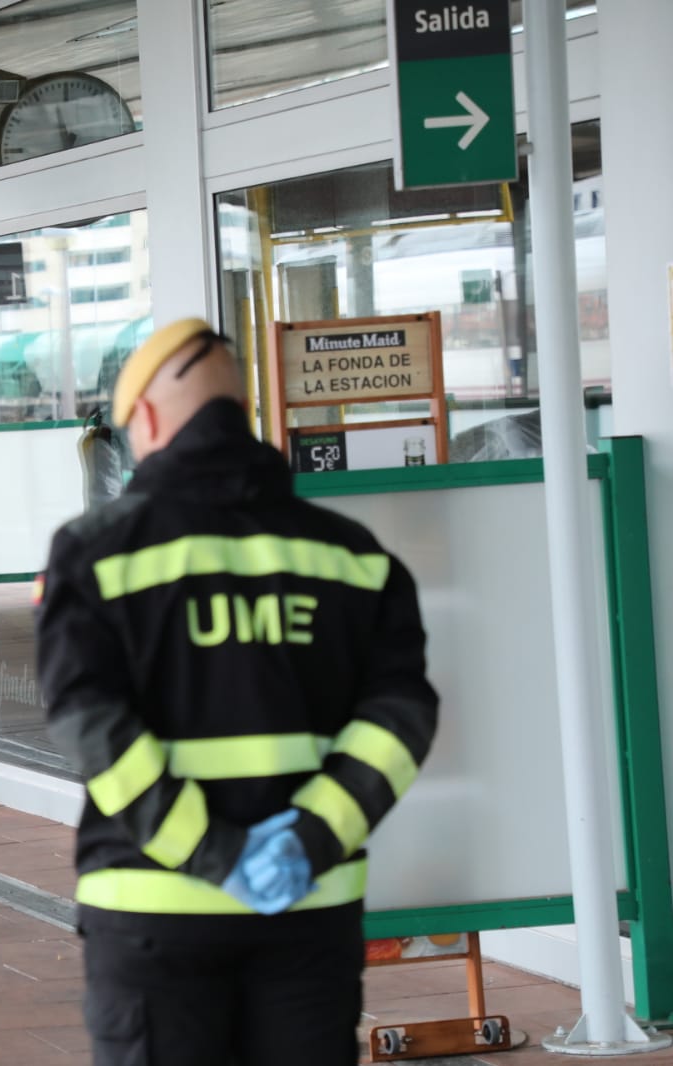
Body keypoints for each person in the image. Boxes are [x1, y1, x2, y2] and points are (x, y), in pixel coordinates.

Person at [34, 318, 438, 1066]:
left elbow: (89, 722)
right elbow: (399, 718)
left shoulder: (97, 552)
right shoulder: (350, 555)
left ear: (145, 421)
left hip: (154, 906)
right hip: (306, 904)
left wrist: (212, 852)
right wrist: (309, 838)